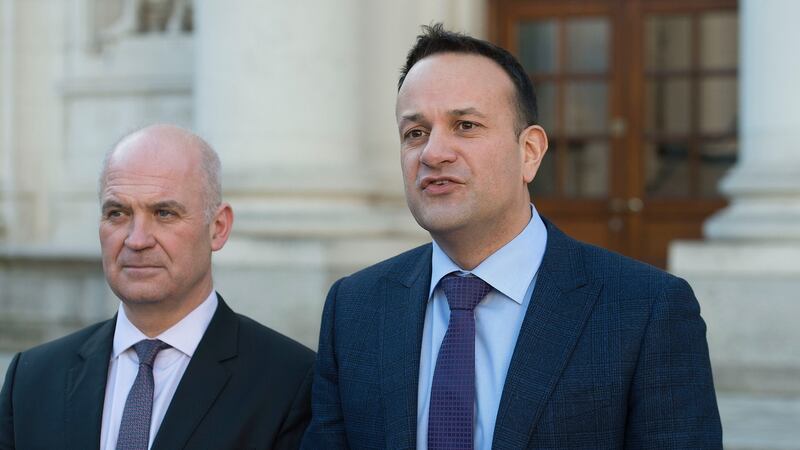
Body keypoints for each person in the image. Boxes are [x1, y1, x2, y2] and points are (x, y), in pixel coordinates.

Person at [302, 24, 722, 449]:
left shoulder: (645, 309)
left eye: (465, 125)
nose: (433, 153)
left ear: (530, 152)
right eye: (415, 133)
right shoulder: (354, 307)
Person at [0, 124, 314, 450]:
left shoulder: (289, 382)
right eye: (117, 213)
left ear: (218, 228)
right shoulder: (32, 379)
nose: (137, 240)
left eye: (164, 213)